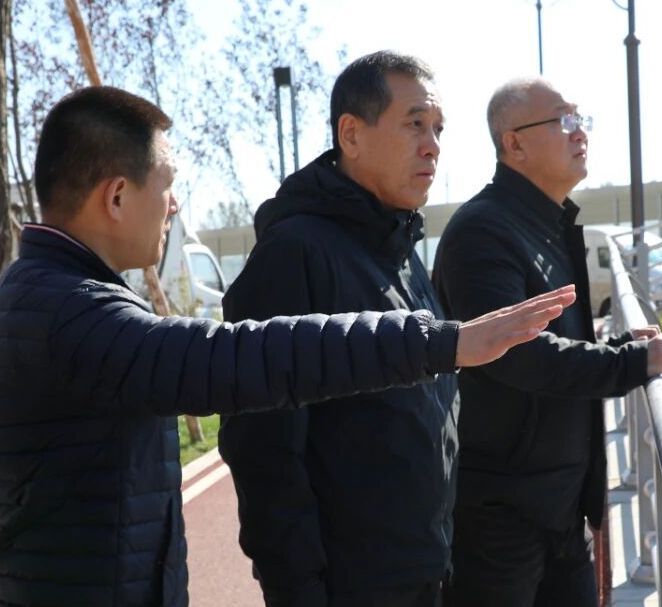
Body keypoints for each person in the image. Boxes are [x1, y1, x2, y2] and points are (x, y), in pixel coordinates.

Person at [0, 85, 574, 607]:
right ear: (118, 197)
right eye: (167, 184)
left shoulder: (55, 297)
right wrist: (443, 343)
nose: (173, 205)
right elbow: (246, 358)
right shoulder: (68, 315)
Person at [219, 51, 470, 607]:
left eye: (438, 128)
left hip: (426, 571)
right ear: (351, 135)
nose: (432, 145)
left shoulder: (401, 247)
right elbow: (263, 452)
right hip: (350, 586)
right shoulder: (294, 255)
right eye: (415, 124)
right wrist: (298, 591)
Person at [432, 77, 662, 606]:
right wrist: (633, 362)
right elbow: (518, 354)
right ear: (514, 143)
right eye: (563, 120)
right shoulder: (482, 232)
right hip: (499, 517)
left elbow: (554, 340)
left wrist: (620, 346)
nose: (580, 133)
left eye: (580, 119)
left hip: (560, 508)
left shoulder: (544, 224)